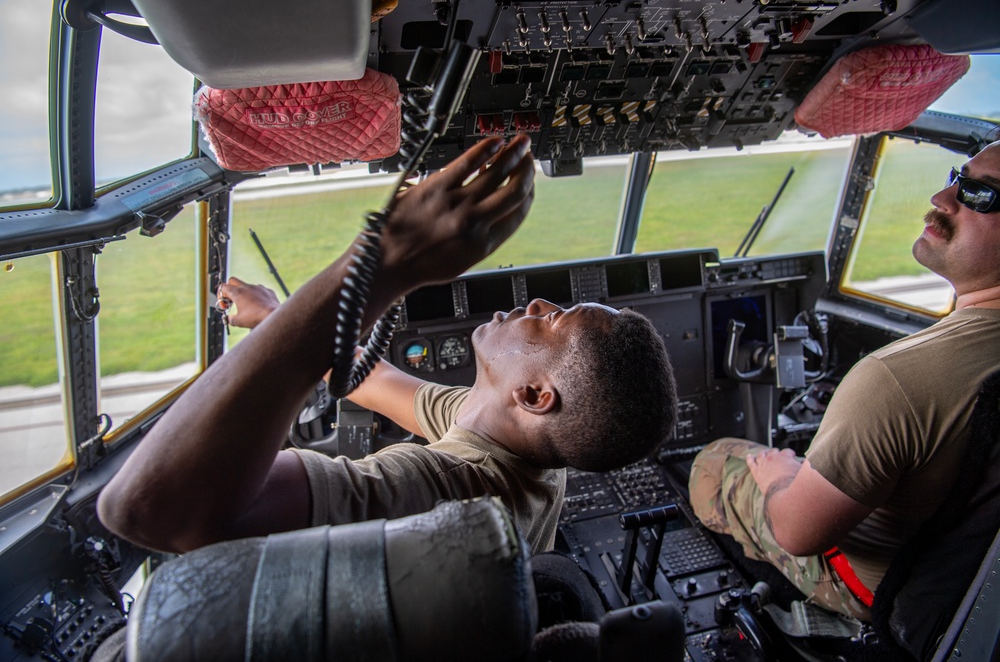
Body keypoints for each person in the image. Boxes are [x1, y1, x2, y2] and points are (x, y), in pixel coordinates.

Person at [97, 134, 678, 555]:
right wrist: (274, 317)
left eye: (552, 321)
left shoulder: (442, 494)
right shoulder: (519, 444)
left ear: (533, 394)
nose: (535, 304)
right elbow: (368, 382)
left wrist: (383, 262)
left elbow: (144, 509)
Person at [688, 141, 1000, 620]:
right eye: (958, 175)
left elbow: (797, 532)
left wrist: (781, 477)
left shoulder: (896, 380)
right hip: (977, 596)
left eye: (979, 194)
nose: (943, 196)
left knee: (716, 460)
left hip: (899, 596)